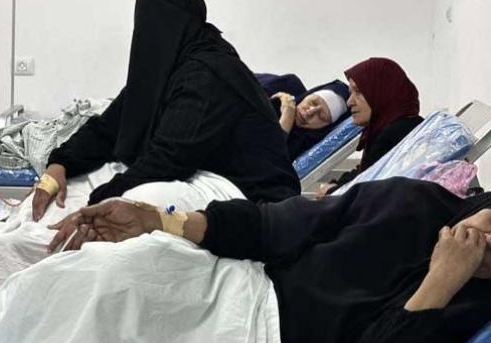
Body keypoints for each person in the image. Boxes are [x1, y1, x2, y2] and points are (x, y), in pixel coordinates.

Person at [59, 177, 491, 343]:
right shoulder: (409, 200)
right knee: (119, 269)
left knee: (111, 311)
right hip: (244, 291)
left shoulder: (470, 308)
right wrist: (159, 220)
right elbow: (279, 225)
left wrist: (442, 280)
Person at [33, 0, 300, 223]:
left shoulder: (209, 74)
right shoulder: (164, 68)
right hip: (194, 175)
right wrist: (60, 164)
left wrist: (92, 206)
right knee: (76, 186)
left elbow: (168, 159)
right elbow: (107, 128)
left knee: (135, 200)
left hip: (250, 201)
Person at [317, 58, 424, 198]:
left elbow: (370, 194)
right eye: (350, 93)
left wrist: (332, 192)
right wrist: (336, 186)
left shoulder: (394, 135)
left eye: (358, 92)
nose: (350, 102)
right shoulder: (406, 127)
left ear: (382, 92)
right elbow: (365, 173)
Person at [255, 73, 351, 159]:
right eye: (313, 102)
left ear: (324, 128)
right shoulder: (280, 86)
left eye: (321, 116)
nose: (309, 113)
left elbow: (258, 158)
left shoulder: (301, 144)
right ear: (308, 95)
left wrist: (286, 120)